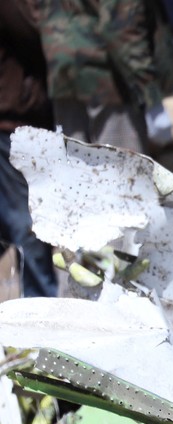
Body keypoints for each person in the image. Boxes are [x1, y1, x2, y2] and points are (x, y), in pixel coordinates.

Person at [36, 0, 173, 154]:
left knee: (75, 170)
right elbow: (121, 29)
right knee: (121, 172)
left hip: (63, 70)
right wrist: (151, 96)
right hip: (109, 81)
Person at [0, 0, 58, 298]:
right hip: (11, 126)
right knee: (30, 226)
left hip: (24, 124)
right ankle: (41, 325)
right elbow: (40, 33)